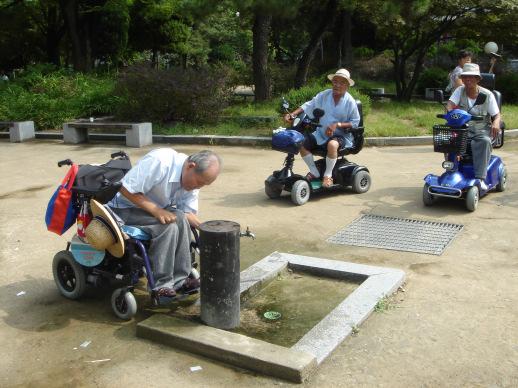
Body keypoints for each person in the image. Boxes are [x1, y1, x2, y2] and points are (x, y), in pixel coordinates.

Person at [108, 148, 222, 301]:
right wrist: (157, 211)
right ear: (191, 166)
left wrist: (205, 228)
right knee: (168, 227)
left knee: (180, 218)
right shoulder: (160, 162)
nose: (198, 187)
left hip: (153, 209)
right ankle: (161, 285)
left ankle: (180, 280)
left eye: (203, 185)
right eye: (199, 183)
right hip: (124, 208)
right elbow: (126, 189)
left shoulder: (192, 179)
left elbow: (186, 213)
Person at [283, 68, 360, 188]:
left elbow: (355, 122)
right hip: (321, 133)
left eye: (341, 82)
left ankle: (327, 176)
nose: (337, 85)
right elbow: (309, 105)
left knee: (332, 145)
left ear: (347, 86)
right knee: (300, 141)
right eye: (335, 81)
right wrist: (293, 114)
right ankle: (314, 171)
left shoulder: (350, 101)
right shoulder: (324, 95)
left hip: (341, 136)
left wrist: (338, 124)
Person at [447, 63, 501, 191]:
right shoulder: (459, 91)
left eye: (472, 77)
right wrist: (450, 113)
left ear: (477, 79)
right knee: (448, 139)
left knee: (484, 141)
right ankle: (451, 171)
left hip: (480, 130)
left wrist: (496, 122)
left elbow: (497, 115)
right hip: (462, 128)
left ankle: (480, 178)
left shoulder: (487, 95)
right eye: (465, 77)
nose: (468, 80)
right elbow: (449, 104)